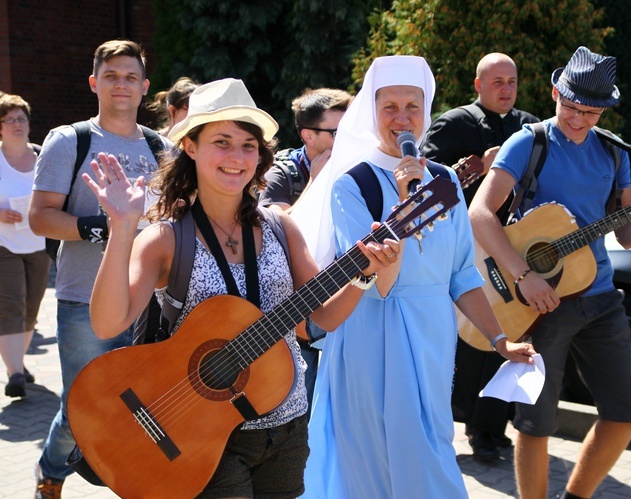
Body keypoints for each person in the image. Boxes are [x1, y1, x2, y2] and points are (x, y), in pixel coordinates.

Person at [82, 77, 398, 498]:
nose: (237, 156)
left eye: (249, 145)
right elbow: (107, 325)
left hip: (286, 424)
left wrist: (363, 274)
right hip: (198, 433)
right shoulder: (166, 239)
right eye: (223, 142)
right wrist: (121, 228)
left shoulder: (282, 228)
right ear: (191, 147)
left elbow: (318, 320)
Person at [291, 55, 535, 499]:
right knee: (374, 464)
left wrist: (501, 340)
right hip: (370, 339)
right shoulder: (353, 185)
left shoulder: (446, 182)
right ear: (372, 112)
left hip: (432, 340)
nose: (402, 119)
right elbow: (380, 284)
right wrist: (403, 201)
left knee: (431, 453)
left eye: (412, 107)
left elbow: (461, 275)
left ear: (426, 113)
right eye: (390, 107)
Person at [469, 46, 631, 499]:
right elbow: (481, 213)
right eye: (570, 107)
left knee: (627, 413)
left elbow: (626, 233)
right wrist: (521, 274)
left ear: (605, 110)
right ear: (554, 93)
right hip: (541, 302)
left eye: (590, 112)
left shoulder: (613, 153)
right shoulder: (528, 142)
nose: (578, 120)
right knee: (535, 422)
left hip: (601, 297)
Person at [28, 39, 172, 498]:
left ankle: (131, 481)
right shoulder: (70, 140)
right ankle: (52, 470)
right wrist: (106, 228)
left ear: (145, 87)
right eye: (111, 76)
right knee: (82, 407)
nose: (121, 84)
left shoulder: (162, 147)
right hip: (82, 298)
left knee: (143, 405)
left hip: (149, 301)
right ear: (94, 83)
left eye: (130, 77)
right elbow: (40, 218)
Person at [422, 52, 539, 461]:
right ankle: (468, 426)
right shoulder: (455, 123)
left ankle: (492, 428)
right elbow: (421, 174)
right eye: (497, 82)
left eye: (511, 81)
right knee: (473, 341)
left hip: (514, 246)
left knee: (513, 334)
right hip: (462, 249)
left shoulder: (530, 127)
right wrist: (472, 166)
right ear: (479, 86)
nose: (506, 89)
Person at [258, 87, 353, 413]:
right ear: (308, 136)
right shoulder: (282, 173)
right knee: (300, 413)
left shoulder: (357, 170)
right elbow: (277, 235)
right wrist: (315, 183)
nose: (347, 138)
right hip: (296, 321)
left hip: (346, 307)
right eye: (336, 132)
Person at [0, 93, 50, 398]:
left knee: (32, 307)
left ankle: (17, 361)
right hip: (4, 243)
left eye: (22, 118)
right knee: (12, 305)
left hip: (39, 243)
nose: (17, 124)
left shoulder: (43, 157)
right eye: (10, 119)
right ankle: (15, 371)